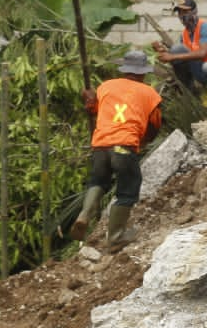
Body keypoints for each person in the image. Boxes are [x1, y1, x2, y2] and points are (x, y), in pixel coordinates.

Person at [69, 50, 163, 250]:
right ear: (143, 72)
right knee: (127, 190)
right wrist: (145, 140)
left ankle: (84, 215)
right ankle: (115, 237)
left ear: (124, 69)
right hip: (124, 145)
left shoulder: (105, 86)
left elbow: (92, 108)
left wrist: (88, 100)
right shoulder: (149, 93)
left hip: (100, 145)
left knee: (98, 181)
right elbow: (155, 124)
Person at [155, 0, 207, 120]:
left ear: (194, 12)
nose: (182, 16)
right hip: (203, 71)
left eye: (185, 12)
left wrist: (172, 56)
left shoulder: (206, 27)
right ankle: (191, 95)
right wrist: (163, 53)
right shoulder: (185, 33)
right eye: (180, 13)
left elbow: (202, 53)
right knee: (177, 49)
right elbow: (182, 55)